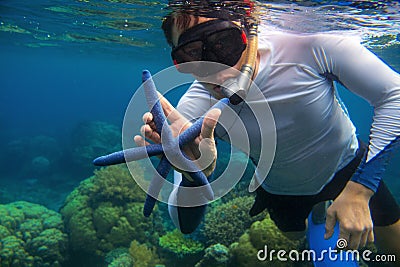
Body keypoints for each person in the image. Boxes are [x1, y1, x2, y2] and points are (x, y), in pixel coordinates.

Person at [134, 0, 400, 260]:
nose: (215, 70)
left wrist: (360, 189)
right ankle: (317, 221)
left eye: (224, 44)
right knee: (294, 238)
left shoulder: (308, 45)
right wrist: (193, 176)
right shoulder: (195, 109)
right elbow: (185, 225)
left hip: (349, 168)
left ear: (250, 28)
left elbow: (395, 96)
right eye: (192, 55)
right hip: (281, 191)